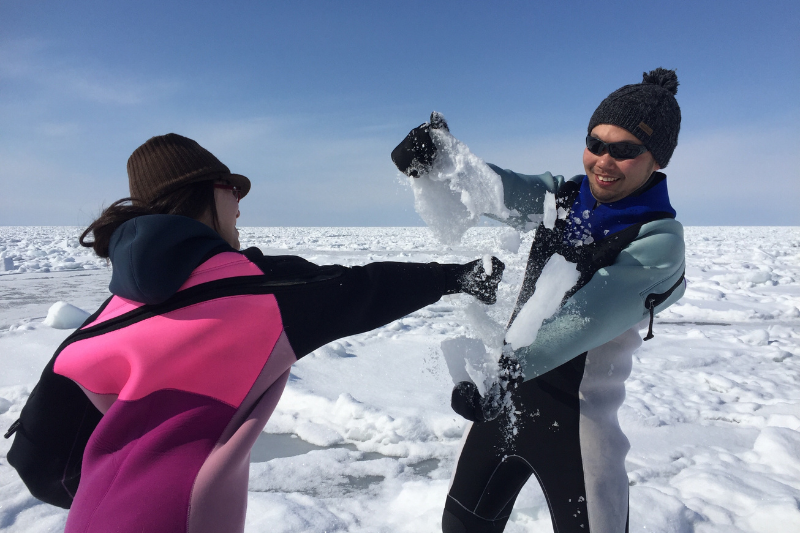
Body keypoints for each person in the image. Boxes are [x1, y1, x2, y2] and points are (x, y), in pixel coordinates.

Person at [54, 133, 504, 533]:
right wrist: (457, 277)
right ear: (200, 196)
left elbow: (38, 460)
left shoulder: (107, 313)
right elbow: (363, 290)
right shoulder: (253, 288)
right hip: (178, 517)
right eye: (230, 188)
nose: (239, 202)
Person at [392, 68, 686, 533]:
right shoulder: (565, 196)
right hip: (503, 406)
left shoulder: (658, 241)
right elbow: (499, 189)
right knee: (461, 525)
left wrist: (493, 372)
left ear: (656, 159)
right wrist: (440, 160)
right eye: (596, 143)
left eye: (625, 150)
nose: (604, 161)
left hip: (577, 429)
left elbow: (583, 318)